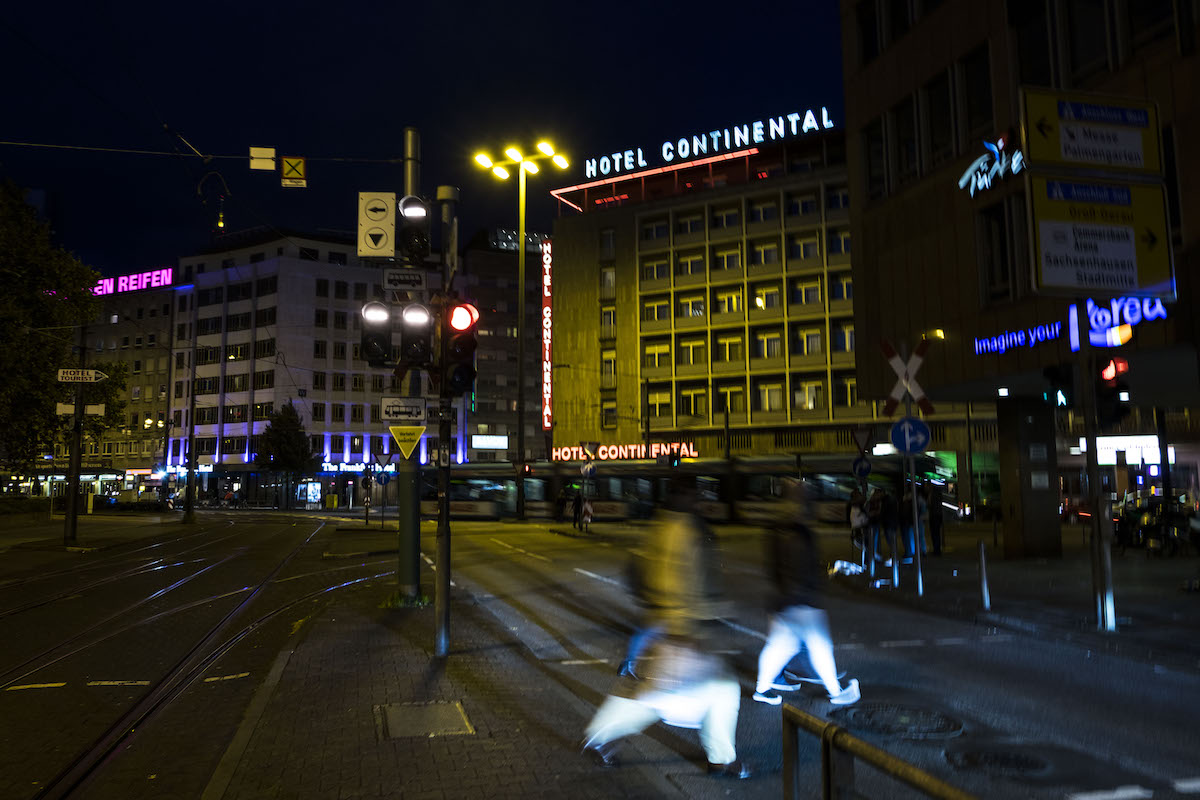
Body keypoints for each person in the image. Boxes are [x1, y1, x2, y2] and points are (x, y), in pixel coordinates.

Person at [583, 479, 750, 780]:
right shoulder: (683, 532)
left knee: (701, 692)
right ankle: (720, 759)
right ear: (682, 496)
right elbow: (683, 583)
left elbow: (639, 574)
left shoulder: (662, 526)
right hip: (683, 633)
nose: (698, 498)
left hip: (672, 628)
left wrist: (657, 610)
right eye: (692, 493)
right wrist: (687, 626)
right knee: (675, 697)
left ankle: (601, 736)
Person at [753, 479, 860, 707]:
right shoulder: (797, 530)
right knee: (820, 645)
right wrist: (806, 592)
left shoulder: (778, 527)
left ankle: (762, 689)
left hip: (787, 599)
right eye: (805, 496)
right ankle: (836, 692)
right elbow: (802, 565)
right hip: (801, 599)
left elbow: (774, 566)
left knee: (781, 647)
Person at [926, 483, 944, 555]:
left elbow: (932, 505)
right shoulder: (934, 494)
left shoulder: (933, 495)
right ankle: (936, 549)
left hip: (935, 516)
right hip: (936, 516)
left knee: (935, 533)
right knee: (935, 533)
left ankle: (937, 550)